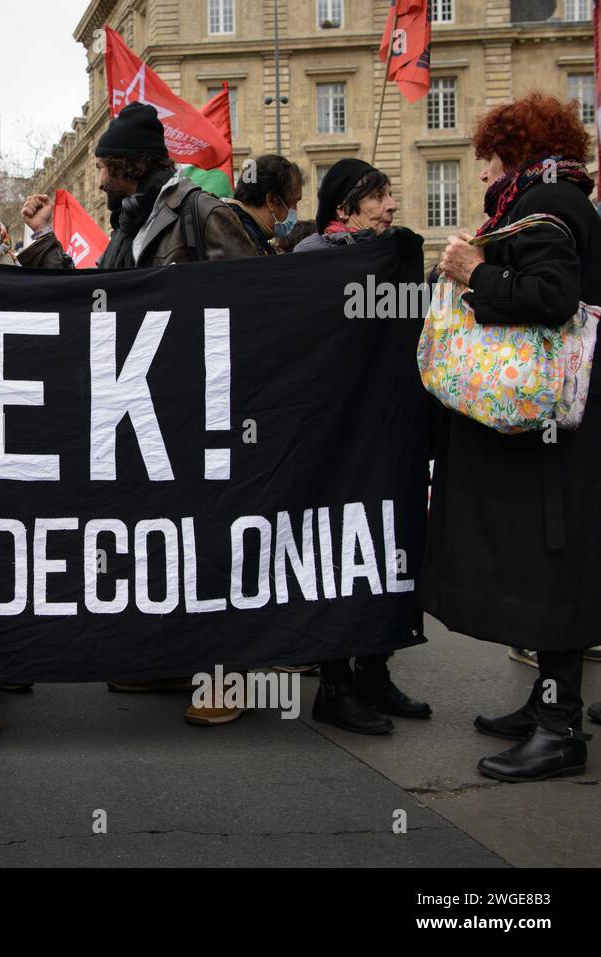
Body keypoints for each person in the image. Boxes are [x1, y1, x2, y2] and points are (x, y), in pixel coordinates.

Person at [19, 101, 258, 724]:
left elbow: (255, 303)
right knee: (168, 542)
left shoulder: (204, 213)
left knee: (213, 538)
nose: (97, 182)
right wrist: (43, 245)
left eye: (105, 169)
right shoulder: (133, 222)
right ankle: (173, 661)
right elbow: (98, 299)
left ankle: (229, 678)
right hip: (147, 411)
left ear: (133, 165)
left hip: (198, 409)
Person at [423, 92, 600, 782]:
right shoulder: (563, 200)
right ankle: (544, 701)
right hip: (564, 424)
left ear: (513, 153)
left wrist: (476, 274)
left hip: (552, 430)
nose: (484, 171)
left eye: (490, 157)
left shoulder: (543, 207)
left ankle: (560, 730)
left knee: (552, 567)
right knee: (549, 562)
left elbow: (551, 298)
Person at [293, 157, 432, 735]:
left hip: (387, 431)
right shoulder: (312, 259)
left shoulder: (394, 252)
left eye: (391, 195)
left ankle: (375, 670)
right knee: (339, 553)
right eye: (378, 198)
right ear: (345, 208)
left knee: (388, 548)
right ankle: (335, 683)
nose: (392, 206)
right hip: (332, 437)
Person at [19, 101, 256, 269]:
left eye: (100, 168)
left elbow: (247, 298)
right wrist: (41, 231)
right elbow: (87, 298)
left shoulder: (204, 213)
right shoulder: (127, 227)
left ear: (127, 167)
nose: (99, 184)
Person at [227, 155, 303, 256]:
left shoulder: (244, 234)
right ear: (271, 200)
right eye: (294, 202)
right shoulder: (242, 242)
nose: (295, 211)